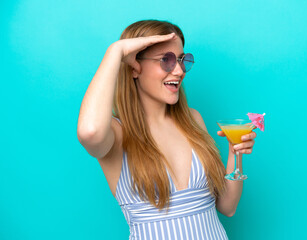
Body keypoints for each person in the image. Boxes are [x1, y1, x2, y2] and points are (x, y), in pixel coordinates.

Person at [77, 19, 257, 239]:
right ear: (134, 67)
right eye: (166, 60)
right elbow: (89, 132)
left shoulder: (193, 119)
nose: (180, 70)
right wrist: (116, 51)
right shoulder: (117, 133)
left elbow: (228, 207)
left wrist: (234, 153)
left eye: (182, 60)